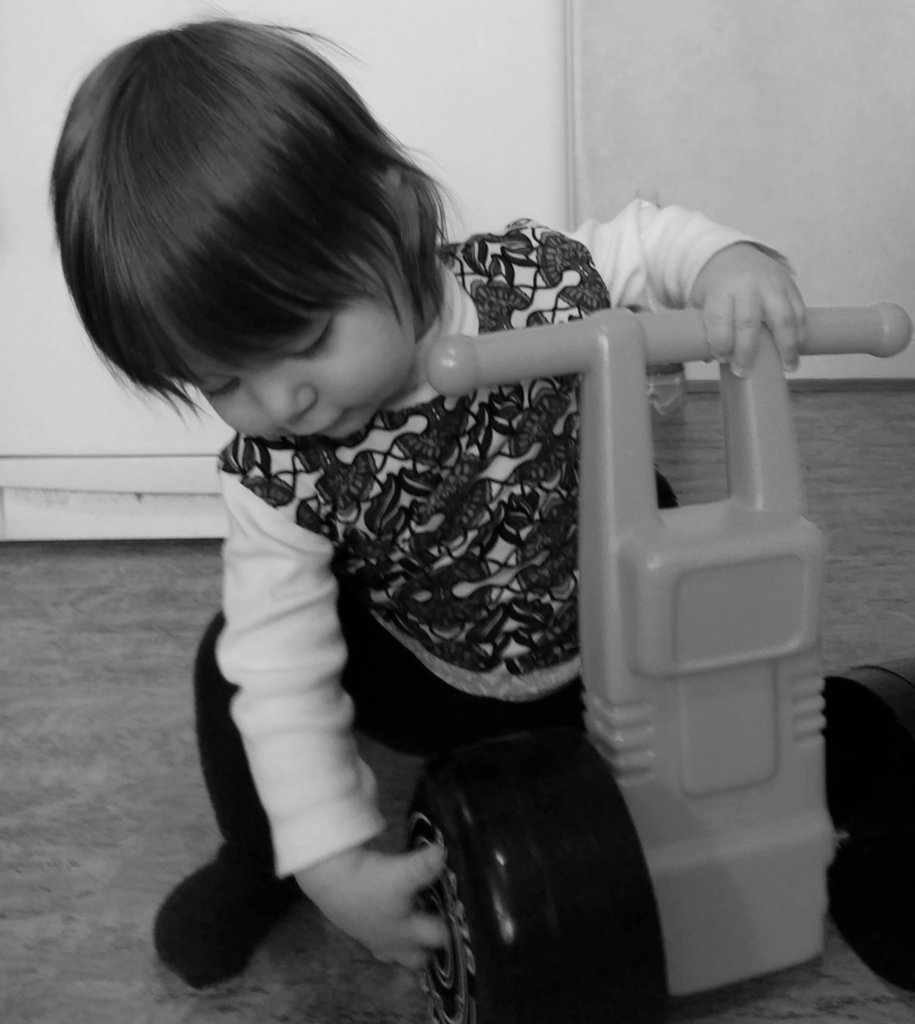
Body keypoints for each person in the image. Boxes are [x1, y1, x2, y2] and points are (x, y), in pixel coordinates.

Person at [50, 18, 807, 989]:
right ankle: (263, 856)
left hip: (607, 633)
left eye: (309, 336)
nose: (282, 401)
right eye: (224, 382)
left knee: (687, 562)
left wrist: (728, 265)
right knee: (236, 664)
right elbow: (282, 669)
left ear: (398, 217)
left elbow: (647, 239)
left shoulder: (532, 284)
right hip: (431, 667)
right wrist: (333, 860)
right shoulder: (274, 473)